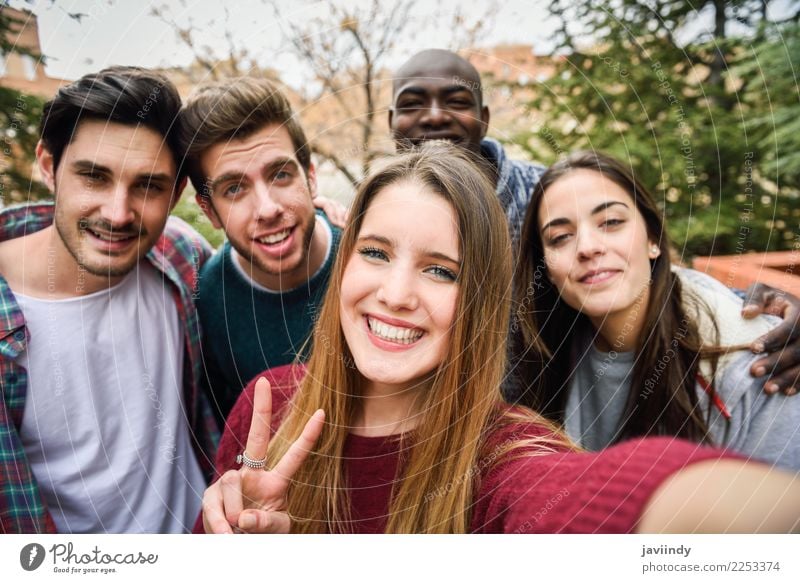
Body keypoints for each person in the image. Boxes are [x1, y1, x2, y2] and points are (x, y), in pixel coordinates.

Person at [199, 144, 800, 534]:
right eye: (376, 253)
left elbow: (585, 497)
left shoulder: (508, 456)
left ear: (482, 300)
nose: (397, 293)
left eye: (442, 270)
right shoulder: (265, 406)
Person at [389, 48, 800, 396]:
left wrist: (756, 308)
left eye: (457, 101)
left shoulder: (546, 195)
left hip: (551, 423)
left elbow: (633, 268)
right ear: (391, 121)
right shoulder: (380, 210)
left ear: (485, 116)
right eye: (412, 104)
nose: (435, 117)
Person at [0, 67, 218, 533]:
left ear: (176, 192)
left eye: (148, 185)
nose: (119, 214)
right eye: (94, 177)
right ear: (48, 166)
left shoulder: (182, 258)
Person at [511, 151, 799, 470]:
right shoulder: (546, 351)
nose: (587, 247)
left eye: (611, 222)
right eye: (560, 237)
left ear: (653, 239)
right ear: (546, 269)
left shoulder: (756, 363)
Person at [178, 78, 343, 426]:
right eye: (235, 188)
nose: (267, 209)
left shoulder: (369, 259)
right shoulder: (207, 304)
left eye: (281, 175)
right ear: (209, 212)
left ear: (310, 179)